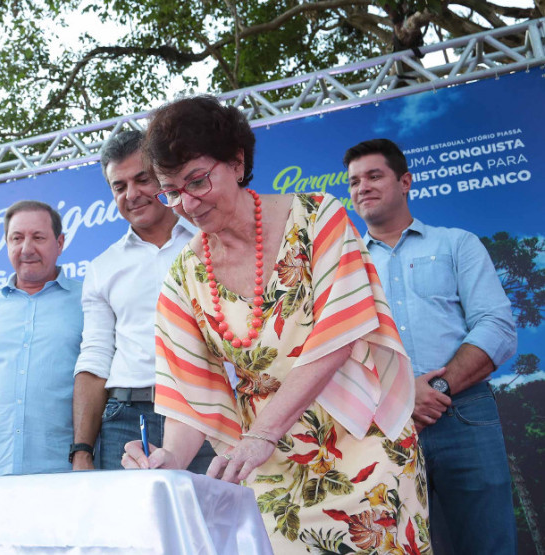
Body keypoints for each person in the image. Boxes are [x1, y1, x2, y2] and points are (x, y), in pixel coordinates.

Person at [122, 96, 428, 553]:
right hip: (268, 468)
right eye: (171, 191)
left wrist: (263, 432)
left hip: (364, 442)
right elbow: (191, 391)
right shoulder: (183, 275)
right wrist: (170, 459)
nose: (186, 203)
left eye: (197, 180)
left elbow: (338, 336)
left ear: (236, 161)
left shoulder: (317, 217)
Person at [345, 138, 517, 554]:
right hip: (382, 423)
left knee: (487, 543)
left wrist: (434, 391)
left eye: (374, 176)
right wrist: (402, 397)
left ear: (405, 182)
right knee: (405, 546)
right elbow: (338, 351)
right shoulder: (343, 267)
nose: (362, 187)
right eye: (353, 182)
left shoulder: (456, 244)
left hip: (464, 414)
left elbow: (497, 327)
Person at [72, 129, 215, 472]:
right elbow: (94, 358)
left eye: (142, 179)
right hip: (126, 418)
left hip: (209, 411)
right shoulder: (102, 267)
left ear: (164, 178)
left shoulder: (210, 240)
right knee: (130, 527)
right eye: (119, 187)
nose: (131, 194)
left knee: (213, 522)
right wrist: (81, 452)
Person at [0, 200, 84, 476]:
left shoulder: (88, 299)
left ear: (60, 242)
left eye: (38, 237)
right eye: (16, 238)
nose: (26, 249)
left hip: (61, 469)